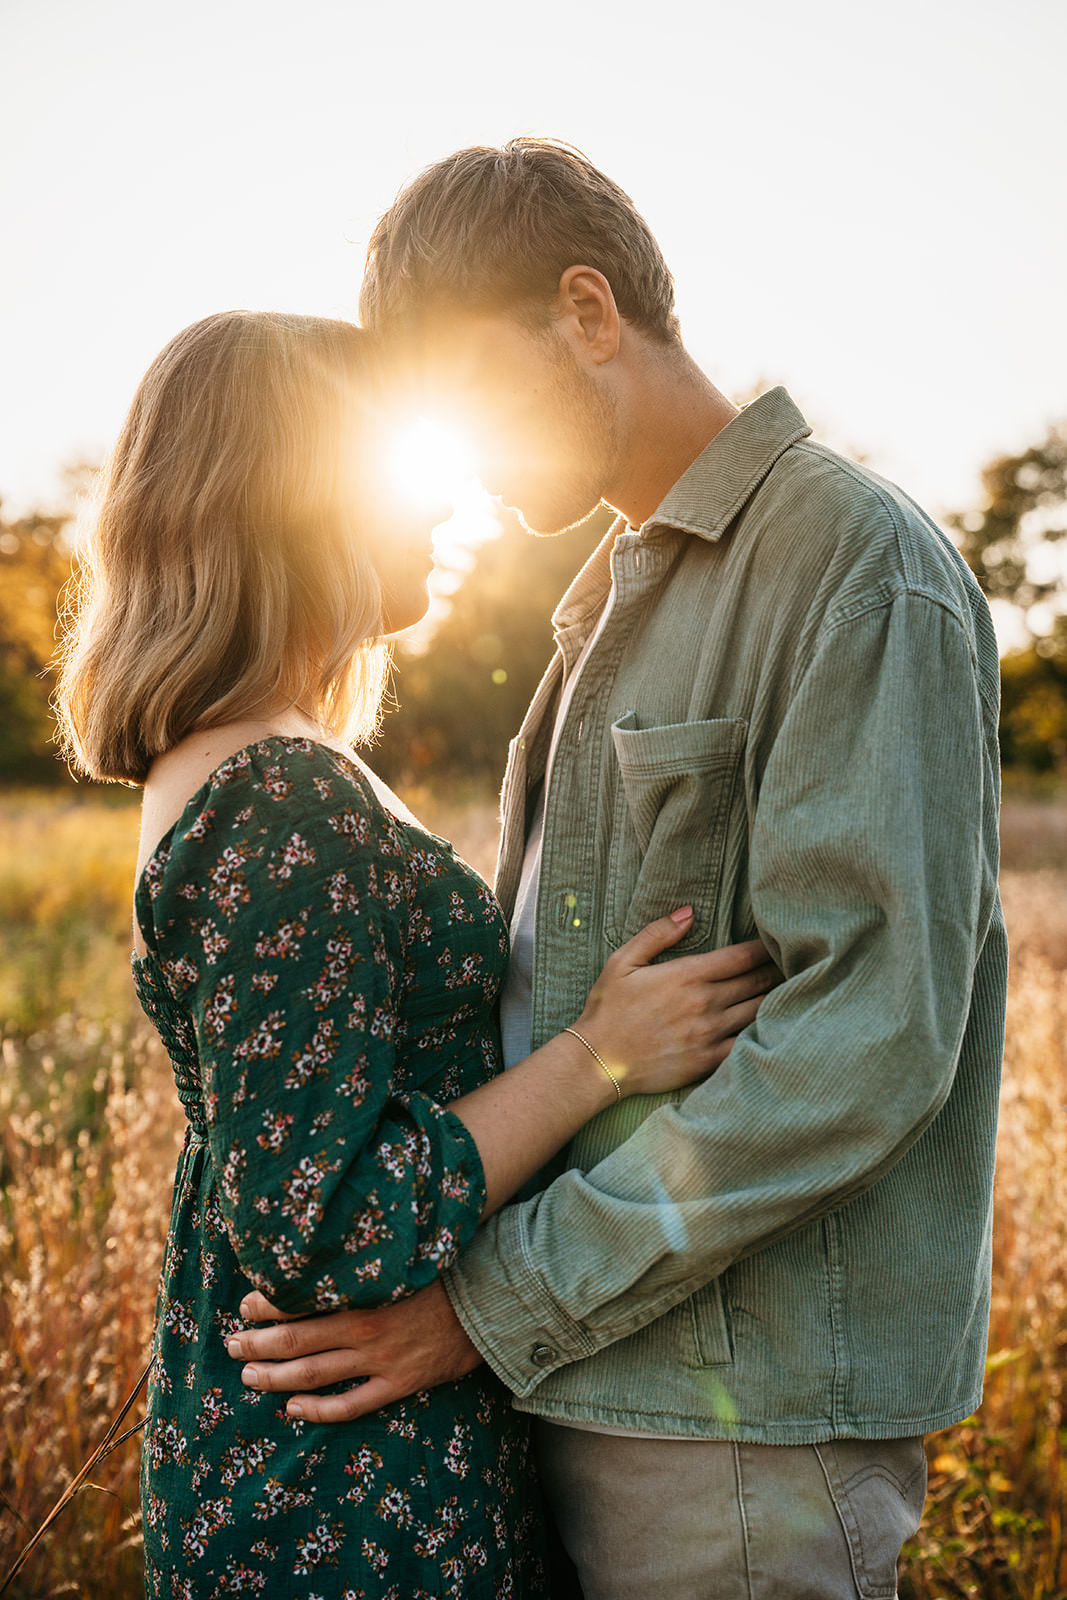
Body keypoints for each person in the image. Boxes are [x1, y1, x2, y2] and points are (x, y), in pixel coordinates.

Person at [227, 144, 1009, 1600]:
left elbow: (871, 1042)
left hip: (739, 1432)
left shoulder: (852, 564)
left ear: (589, 312)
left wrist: (492, 1307)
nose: (463, 467)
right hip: (597, 1379)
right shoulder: (612, 593)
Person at [53, 309, 777, 1599]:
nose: (451, 510)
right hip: (346, 1498)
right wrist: (601, 1055)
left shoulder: (259, 762)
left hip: (356, 1453)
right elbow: (321, 1225)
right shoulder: (277, 794)